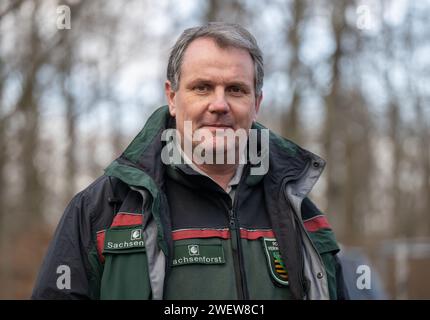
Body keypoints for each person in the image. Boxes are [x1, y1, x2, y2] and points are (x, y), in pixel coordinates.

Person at [32, 22, 348, 300]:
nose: (219, 104)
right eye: (202, 87)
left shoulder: (301, 215)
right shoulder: (101, 210)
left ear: (257, 104)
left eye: (236, 90)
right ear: (172, 97)